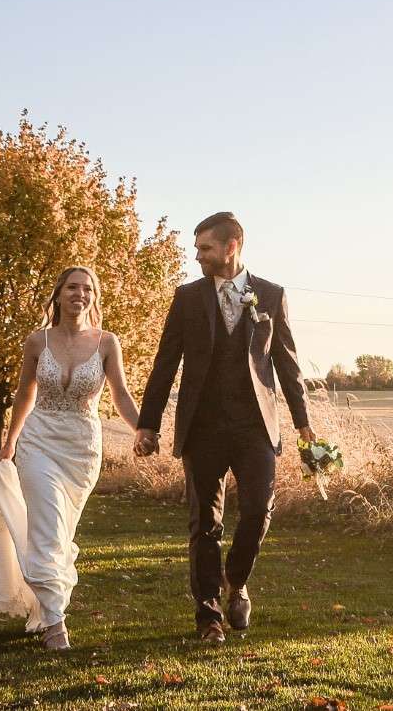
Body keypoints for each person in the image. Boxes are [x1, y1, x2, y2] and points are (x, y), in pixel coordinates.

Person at [134, 211, 313, 642]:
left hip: (255, 428)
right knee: (204, 524)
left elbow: (287, 365)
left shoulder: (270, 294)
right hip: (203, 427)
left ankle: (237, 579)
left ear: (231, 246)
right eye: (197, 249)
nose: (198, 256)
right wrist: (148, 424)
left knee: (257, 511)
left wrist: (304, 425)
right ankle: (209, 616)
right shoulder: (187, 298)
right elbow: (165, 364)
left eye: (205, 248)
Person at [0, 265, 140, 651]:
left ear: (94, 297)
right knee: (49, 529)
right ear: (58, 294)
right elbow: (25, 394)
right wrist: (10, 443)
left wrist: (143, 428)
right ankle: (56, 622)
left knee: (60, 532)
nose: (80, 294)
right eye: (72, 287)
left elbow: (120, 393)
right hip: (38, 441)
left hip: (82, 448)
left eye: (88, 288)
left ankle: (44, 605)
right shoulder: (37, 341)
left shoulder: (107, 342)